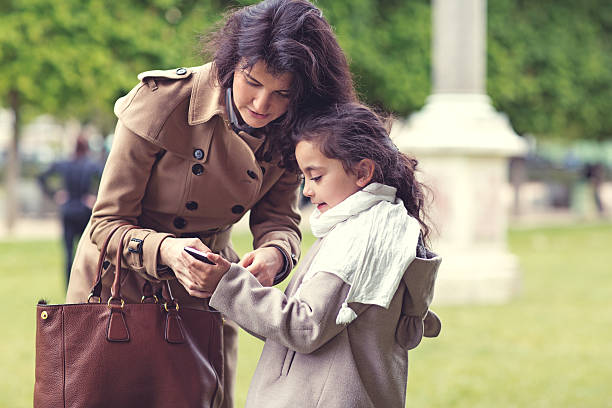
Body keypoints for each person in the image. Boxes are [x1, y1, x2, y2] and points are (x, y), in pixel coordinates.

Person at [65, 1, 356, 407]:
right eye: (252, 82)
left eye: (282, 93)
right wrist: (168, 249)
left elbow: (280, 219)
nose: (261, 104)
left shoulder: (293, 129)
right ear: (230, 62)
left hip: (207, 288)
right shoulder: (162, 102)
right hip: (118, 284)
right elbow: (106, 223)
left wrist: (275, 254)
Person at [187, 103, 442, 408]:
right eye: (303, 179)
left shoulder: (360, 237)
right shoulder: (388, 225)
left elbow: (305, 326)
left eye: (316, 176)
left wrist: (226, 284)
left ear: (362, 172)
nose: (307, 191)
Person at [38, 135, 103, 285]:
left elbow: (41, 177)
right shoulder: (90, 165)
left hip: (68, 212)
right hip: (83, 213)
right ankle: (84, 285)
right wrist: (95, 198)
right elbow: (108, 180)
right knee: (84, 252)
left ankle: (69, 287)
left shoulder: (64, 164)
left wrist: (55, 194)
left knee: (68, 253)